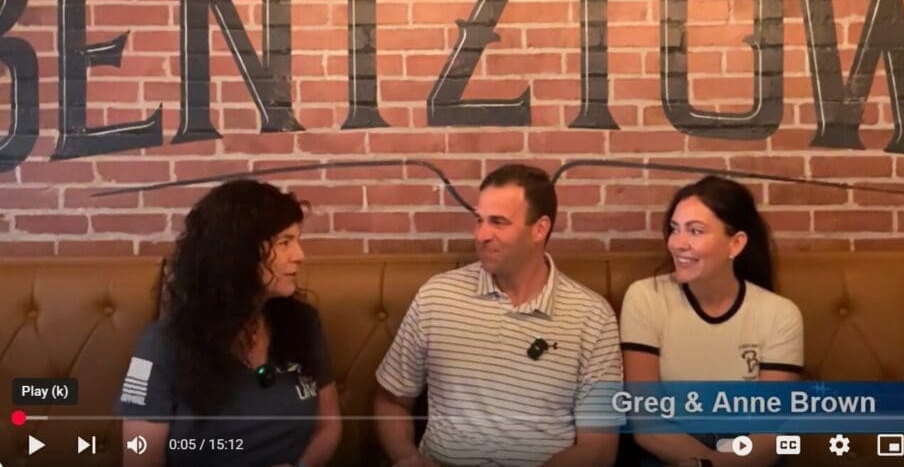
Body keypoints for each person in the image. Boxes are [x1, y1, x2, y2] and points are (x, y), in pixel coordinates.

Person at [374, 164, 623, 467]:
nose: (481, 235)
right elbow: (391, 400)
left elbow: (599, 448)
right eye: (479, 220)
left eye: (498, 222)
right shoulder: (436, 296)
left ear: (540, 229)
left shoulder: (593, 317)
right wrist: (407, 457)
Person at [117, 179, 341, 467]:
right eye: (284, 242)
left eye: (297, 241)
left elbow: (329, 424)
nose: (299, 256)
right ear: (239, 252)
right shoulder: (161, 344)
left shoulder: (302, 323)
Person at [620, 176, 803, 467]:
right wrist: (704, 463)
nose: (678, 244)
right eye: (675, 229)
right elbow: (647, 423)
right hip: (670, 452)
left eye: (695, 231)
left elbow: (770, 433)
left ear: (736, 243)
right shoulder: (646, 297)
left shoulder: (780, 314)